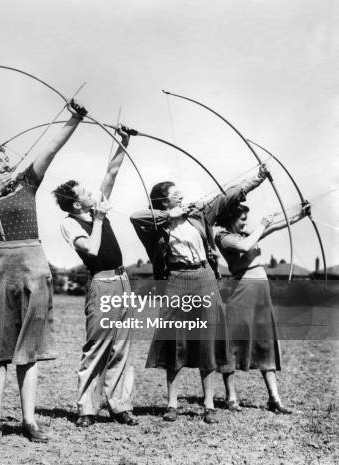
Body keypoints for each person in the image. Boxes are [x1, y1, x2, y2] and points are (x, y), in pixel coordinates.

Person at [0, 100, 88, 443]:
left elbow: (51, 147)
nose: (6, 162)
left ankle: (30, 421)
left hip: (32, 263)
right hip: (0, 268)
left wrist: (74, 118)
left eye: (5, 158)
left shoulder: (28, 183)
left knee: (29, 350)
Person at [130, 165, 269, 424]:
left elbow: (228, 196)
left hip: (204, 278)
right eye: (175, 194)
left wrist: (257, 178)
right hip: (175, 280)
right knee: (175, 342)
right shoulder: (156, 226)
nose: (181, 196)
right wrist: (171, 214)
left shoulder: (199, 216)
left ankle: (208, 405)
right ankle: (171, 404)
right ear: (163, 200)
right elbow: (136, 217)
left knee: (208, 341)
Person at [52, 126, 136, 427]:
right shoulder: (71, 222)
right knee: (97, 346)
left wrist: (122, 142)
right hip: (102, 284)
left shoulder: (93, 208)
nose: (92, 193)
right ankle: (87, 409)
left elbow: (111, 173)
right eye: (85, 194)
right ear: (77, 204)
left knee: (122, 347)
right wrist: (98, 218)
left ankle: (120, 405)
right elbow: (91, 249)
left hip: (124, 282)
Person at [215, 202, 309, 414]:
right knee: (232, 342)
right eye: (242, 219)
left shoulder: (247, 234)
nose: (245, 223)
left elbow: (273, 226)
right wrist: (262, 224)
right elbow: (244, 246)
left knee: (266, 341)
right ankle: (231, 397)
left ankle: (274, 399)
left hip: (261, 291)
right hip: (243, 291)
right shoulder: (223, 237)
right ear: (231, 218)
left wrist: (299, 214)